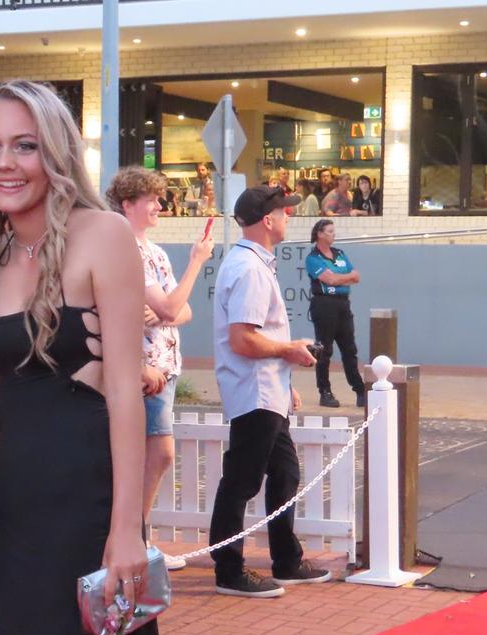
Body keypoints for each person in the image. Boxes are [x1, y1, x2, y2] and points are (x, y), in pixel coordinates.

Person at [0, 80, 168, 635]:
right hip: (17, 508)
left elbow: (124, 388)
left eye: (24, 145)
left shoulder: (103, 234)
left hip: (87, 506)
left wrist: (125, 532)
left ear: (56, 152)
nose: (5, 163)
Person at [208, 185, 330, 598]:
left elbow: (250, 338)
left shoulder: (250, 263)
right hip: (255, 391)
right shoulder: (251, 269)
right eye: (284, 212)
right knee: (242, 481)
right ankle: (229, 569)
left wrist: (285, 374)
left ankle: (286, 560)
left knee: (283, 473)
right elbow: (243, 339)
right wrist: (290, 353)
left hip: (265, 390)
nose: (289, 217)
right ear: (268, 220)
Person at [106, 166, 215, 574]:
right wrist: (197, 263)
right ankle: (135, 538)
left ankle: (138, 537)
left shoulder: (154, 251)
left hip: (163, 368)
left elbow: (180, 310)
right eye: (150, 199)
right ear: (128, 204)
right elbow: (173, 306)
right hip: (145, 370)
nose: (158, 205)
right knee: (155, 454)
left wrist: (168, 310)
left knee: (151, 455)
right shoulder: (128, 250)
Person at [306, 219, 365, 408]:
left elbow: (356, 276)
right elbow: (329, 280)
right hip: (324, 305)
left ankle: (359, 390)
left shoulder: (340, 254)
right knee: (324, 350)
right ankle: (325, 391)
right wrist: (342, 278)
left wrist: (339, 278)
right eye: (330, 231)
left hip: (342, 304)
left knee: (349, 349)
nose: (334, 234)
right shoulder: (313, 257)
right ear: (320, 234)